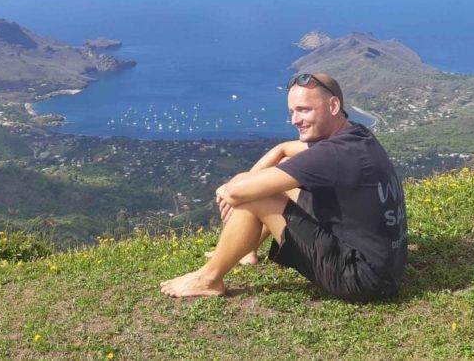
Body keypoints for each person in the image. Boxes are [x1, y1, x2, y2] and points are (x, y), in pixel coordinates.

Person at [160, 73, 407, 301]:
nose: (295, 120)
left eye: (304, 110)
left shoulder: (332, 154)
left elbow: (237, 192)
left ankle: (209, 279)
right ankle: (247, 248)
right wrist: (273, 154)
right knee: (282, 171)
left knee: (255, 196)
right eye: (292, 111)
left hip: (362, 279)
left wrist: (227, 191)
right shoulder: (356, 136)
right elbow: (287, 151)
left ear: (333, 106)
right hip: (385, 270)